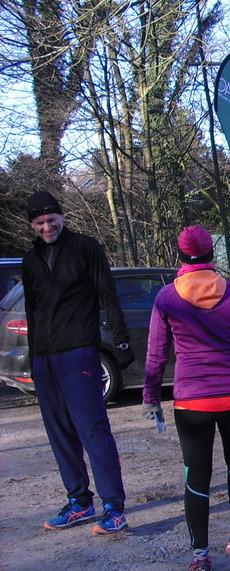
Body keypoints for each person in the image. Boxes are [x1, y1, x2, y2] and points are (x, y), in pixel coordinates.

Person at [142, 225, 230, 571]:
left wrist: (151, 398)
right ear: (212, 255)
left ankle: (200, 559)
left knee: (197, 475)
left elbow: (156, 354)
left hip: (192, 402)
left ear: (180, 257)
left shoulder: (167, 298)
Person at [22, 190, 134, 535]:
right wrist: (34, 357)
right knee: (59, 432)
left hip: (79, 352)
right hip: (45, 358)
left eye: (50, 220)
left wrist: (121, 339)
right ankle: (79, 502)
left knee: (93, 429)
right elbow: (32, 311)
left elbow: (108, 294)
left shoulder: (86, 248)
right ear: (32, 225)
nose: (46, 227)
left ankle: (114, 508)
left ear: (61, 216)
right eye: (39, 223)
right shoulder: (30, 260)